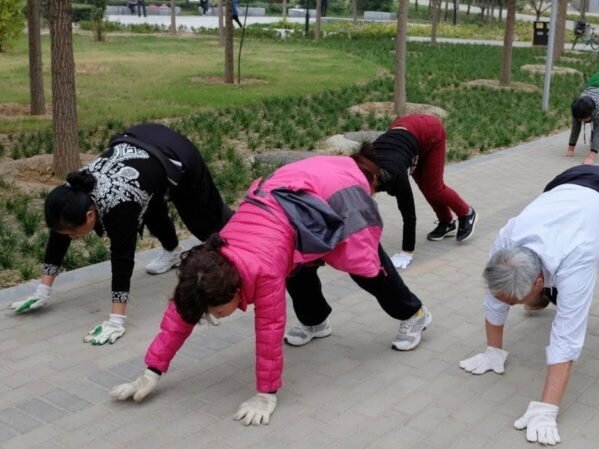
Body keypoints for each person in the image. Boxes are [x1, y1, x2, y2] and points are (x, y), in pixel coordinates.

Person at [110, 155, 432, 426]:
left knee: (366, 266)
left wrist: (266, 394)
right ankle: (316, 321)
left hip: (332, 190)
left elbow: (268, 329)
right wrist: (151, 371)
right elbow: (182, 313)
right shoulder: (204, 266)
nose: (216, 317)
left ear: (236, 290)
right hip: (287, 203)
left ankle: (414, 313)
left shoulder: (261, 273)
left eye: (217, 311)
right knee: (295, 268)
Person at [459, 165, 599, 446]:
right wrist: (493, 350)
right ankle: (539, 302)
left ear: (538, 281)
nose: (511, 306)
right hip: (571, 181)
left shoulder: (578, 258)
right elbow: (495, 297)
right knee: (549, 287)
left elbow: (567, 335)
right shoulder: (506, 241)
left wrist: (547, 408)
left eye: (516, 301)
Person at [8, 124, 233, 346]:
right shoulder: (71, 192)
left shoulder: (119, 205)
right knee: (150, 202)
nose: (72, 237)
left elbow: (122, 259)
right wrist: (42, 290)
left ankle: (243, 247)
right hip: (144, 151)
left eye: (74, 234)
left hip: (176, 155)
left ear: (89, 216)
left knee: (207, 224)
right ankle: (173, 252)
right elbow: (59, 235)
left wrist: (116, 319)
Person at [356, 114, 478, 270]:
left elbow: (409, 216)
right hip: (405, 131)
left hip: (430, 131)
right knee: (425, 186)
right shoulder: (361, 170)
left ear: (374, 180)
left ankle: (466, 213)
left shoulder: (396, 177)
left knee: (433, 187)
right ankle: (446, 223)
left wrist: (407, 252)